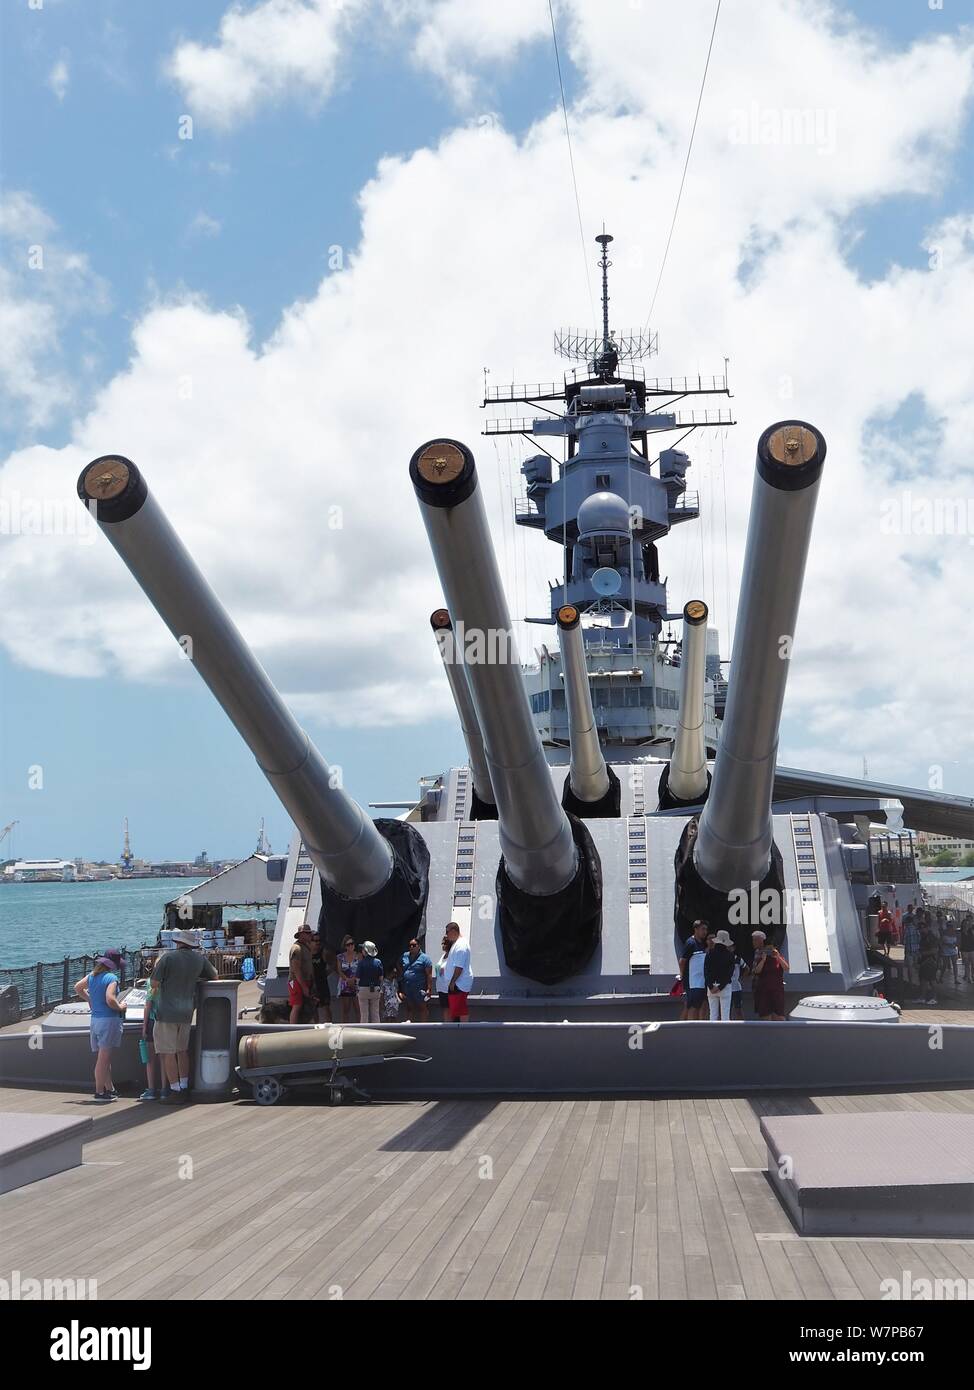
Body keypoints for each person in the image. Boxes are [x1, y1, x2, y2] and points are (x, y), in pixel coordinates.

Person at [149, 928, 217, 1102]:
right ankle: (185, 1087)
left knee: (168, 1052)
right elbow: (214, 976)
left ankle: (175, 1090)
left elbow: (154, 983)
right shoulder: (198, 959)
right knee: (182, 1051)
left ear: (178, 943)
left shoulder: (168, 958)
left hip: (166, 1013)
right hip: (187, 1011)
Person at [75, 949, 126, 1102]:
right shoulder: (111, 978)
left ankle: (110, 1089)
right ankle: (99, 1092)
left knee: (104, 1057)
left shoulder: (92, 975)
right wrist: (121, 1007)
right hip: (108, 1020)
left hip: (95, 1020)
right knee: (103, 1060)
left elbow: (78, 987)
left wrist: (90, 999)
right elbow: (110, 999)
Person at [437, 922, 473, 1022]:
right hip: (456, 983)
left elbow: (459, 967)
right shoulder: (457, 944)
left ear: (453, 931)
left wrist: (453, 981)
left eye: (447, 932)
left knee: (461, 1008)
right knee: (455, 1008)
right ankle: (456, 1028)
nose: (446, 935)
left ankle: (463, 1029)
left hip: (459, 983)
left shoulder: (461, 946)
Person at [751, 932, 789, 1020]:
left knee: (779, 1015)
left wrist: (778, 957)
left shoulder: (779, 958)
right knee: (765, 1015)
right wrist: (763, 960)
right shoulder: (762, 958)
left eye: (771, 949)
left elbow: (786, 968)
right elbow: (756, 971)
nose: (769, 951)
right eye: (767, 949)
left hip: (777, 990)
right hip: (764, 991)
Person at [678, 919, 709, 1020]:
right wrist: (682, 975)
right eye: (702, 929)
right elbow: (682, 961)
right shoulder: (690, 943)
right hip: (693, 982)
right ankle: (688, 1028)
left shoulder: (703, 944)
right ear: (696, 929)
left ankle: (699, 1029)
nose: (705, 932)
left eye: (706, 929)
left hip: (703, 982)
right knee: (692, 1007)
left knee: (703, 1005)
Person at [138, 975, 163, 1102]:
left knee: (150, 1058)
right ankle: (165, 1089)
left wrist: (144, 1026)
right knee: (165, 1057)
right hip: (166, 1021)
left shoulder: (150, 982)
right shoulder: (169, 980)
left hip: (153, 1021)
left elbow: (148, 1005)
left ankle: (151, 1089)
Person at [398, 937, 433, 1022]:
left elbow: (429, 974)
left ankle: (423, 1026)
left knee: (422, 1007)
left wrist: (429, 989)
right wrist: (403, 974)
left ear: (419, 946)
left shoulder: (425, 958)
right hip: (407, 987)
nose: (411, 947)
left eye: (414, 945)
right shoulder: (404, 955)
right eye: (410, 945)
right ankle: (409, 1025)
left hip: (419, 987)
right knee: (409, 1007)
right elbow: (398, 964)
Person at [288, 924, 317, 1024]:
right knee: (297, 1005)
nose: (310, 935)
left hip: (305, 981)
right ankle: (292, 1029)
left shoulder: (306, 947)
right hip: (296, 981)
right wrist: (304, 986)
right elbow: (296, 970)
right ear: (301, 935)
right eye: (307, 933)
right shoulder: (296, 949)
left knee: (305, 1005)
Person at [705, 930, 736, 1020]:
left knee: (713, 1015)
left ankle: (712, 1034)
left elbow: (706, 972)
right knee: (725, 1015)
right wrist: (720, 986)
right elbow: (729, 974)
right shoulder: (730, 955)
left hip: (711, 987)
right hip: (725, 987)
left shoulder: (709, 954)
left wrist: (710, 986)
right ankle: (725, 1033)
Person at [356, 942, 384, 1023]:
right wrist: (380, 988)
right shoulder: (378, 962)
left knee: (364, 1014)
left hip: (363, 989)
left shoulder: (361, 963)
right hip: (375, 988)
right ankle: (377, 1032)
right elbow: (381, 978)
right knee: (375, 1013)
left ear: (365, 951)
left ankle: (364, 1033)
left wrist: (357, 989)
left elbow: (357, 978)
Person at [308, 931, 332, 1024]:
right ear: (310, 941)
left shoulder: (323, 953)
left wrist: (326, 974)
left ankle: (329, 1025)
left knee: (326, 1006)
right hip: (312, 984)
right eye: (315, 940)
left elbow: (332, 965)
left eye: (319, 940)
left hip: (322, 984)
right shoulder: (307, 954)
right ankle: (316, 1027)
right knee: (314, 1008)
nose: (318, 942)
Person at [337, 935, 359, 1023]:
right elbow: (339, 970)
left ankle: (360, 1028)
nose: (350, 946)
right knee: (346, 1010)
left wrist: (353, 979)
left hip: (356, 984)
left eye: (352, 944)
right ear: (345, 946)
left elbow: (360, 969)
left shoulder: (359, 956)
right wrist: (347, 980)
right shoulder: (340, 957)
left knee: (358, 1009)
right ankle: (344, 1028)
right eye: (348, 945)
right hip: (345, 984)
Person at [917, 921, 939, 1005]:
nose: (921, 930)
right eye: (919, 929)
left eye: (922, 928)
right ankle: (922, 997)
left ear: (926, 928)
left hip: (930, 961)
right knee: (923, 980)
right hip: (923, 962)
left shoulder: (931, 937)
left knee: (932, 980)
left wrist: (922, 953)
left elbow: (934, 950)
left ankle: (934, 998)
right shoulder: (923, 937)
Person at [938, 917, 960, 987]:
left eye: (951, 926)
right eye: (949, 926)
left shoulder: (955, 933)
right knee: (945, 965)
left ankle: (956, 979)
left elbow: (958, 942)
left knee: (955, 964)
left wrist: (955, 945)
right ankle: (941, 977)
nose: (950, 927)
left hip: (953, 950)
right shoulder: (944, 933)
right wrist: (946, 945)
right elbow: (940, 942)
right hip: (946, 950)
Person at [434, 933, 452, 1019]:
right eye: (442, 943)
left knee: (451, 1010)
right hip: (441, 988)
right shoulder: (443, 956)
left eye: (445, 943)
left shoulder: (452, 956)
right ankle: (446, 1027)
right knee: (445, 1009)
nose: (443, 945)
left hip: (448, 988)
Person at [902, 908, 920, 984]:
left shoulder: (906, 930)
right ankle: (919, 980)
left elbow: (904, 941)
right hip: (916, 950)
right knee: (916, 966)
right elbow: (919, 939)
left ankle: (911, 982)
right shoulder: (916, 929)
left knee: (910, 968)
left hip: (909, 951)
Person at [961, 913, 974, 985]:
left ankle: (972, 976)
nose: (967, 923)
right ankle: (968, 977)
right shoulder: (961, 932)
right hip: (964, 950)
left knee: (973, 964)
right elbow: (960, 941)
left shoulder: (971, 930)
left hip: (972, 949)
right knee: (967, 964)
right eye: (966, 922)